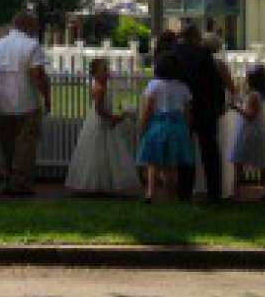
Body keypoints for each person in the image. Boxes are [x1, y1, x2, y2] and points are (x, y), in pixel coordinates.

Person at [0, 10, 51, 196]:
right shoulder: (31, 45)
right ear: (29, 26)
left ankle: (6, 179)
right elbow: (38, 75)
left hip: (1, 103)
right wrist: (47, 98)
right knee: (25, 147)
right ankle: (21, 183)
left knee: (6, 145)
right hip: (26, 102)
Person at [65, 57, 138, 196]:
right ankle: (96, 183)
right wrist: (114, 117)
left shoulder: (103, 87)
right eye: (104, 70)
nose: (107, 72)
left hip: (102, 121)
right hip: (100, 123)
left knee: (106, 152)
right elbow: (99, 110)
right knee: (99, 151)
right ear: (95, 74)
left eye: (107, 69)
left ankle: (104, 184)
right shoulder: (99, 89)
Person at [176, 24, 227, 202]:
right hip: (205, 107)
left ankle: (184, 190)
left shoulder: (174, 54)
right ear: (194, 37)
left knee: (185, 150)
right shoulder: (202, 54)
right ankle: (214, 192)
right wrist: (220, 103)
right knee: (210, 151)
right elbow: (215, 82)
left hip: (182, 107)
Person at [137, 51, 195, 203]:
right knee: (172, 164)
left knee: (152, 161)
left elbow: (148, 108)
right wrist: (188, 130)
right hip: (177, 126)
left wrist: (142, 126)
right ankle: (171, 194)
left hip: (158, 125)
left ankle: (150, 193)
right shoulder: (183, 87)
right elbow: (188, 112)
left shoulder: (154, 85)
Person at [230, 64, 265, 201]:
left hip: (249, 132)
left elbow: (250, 116)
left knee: (238, 162)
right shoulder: (258, 95)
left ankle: (237, 192)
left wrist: (235, 107)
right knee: (262, 163)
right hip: (257, 131)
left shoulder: (254, 96)